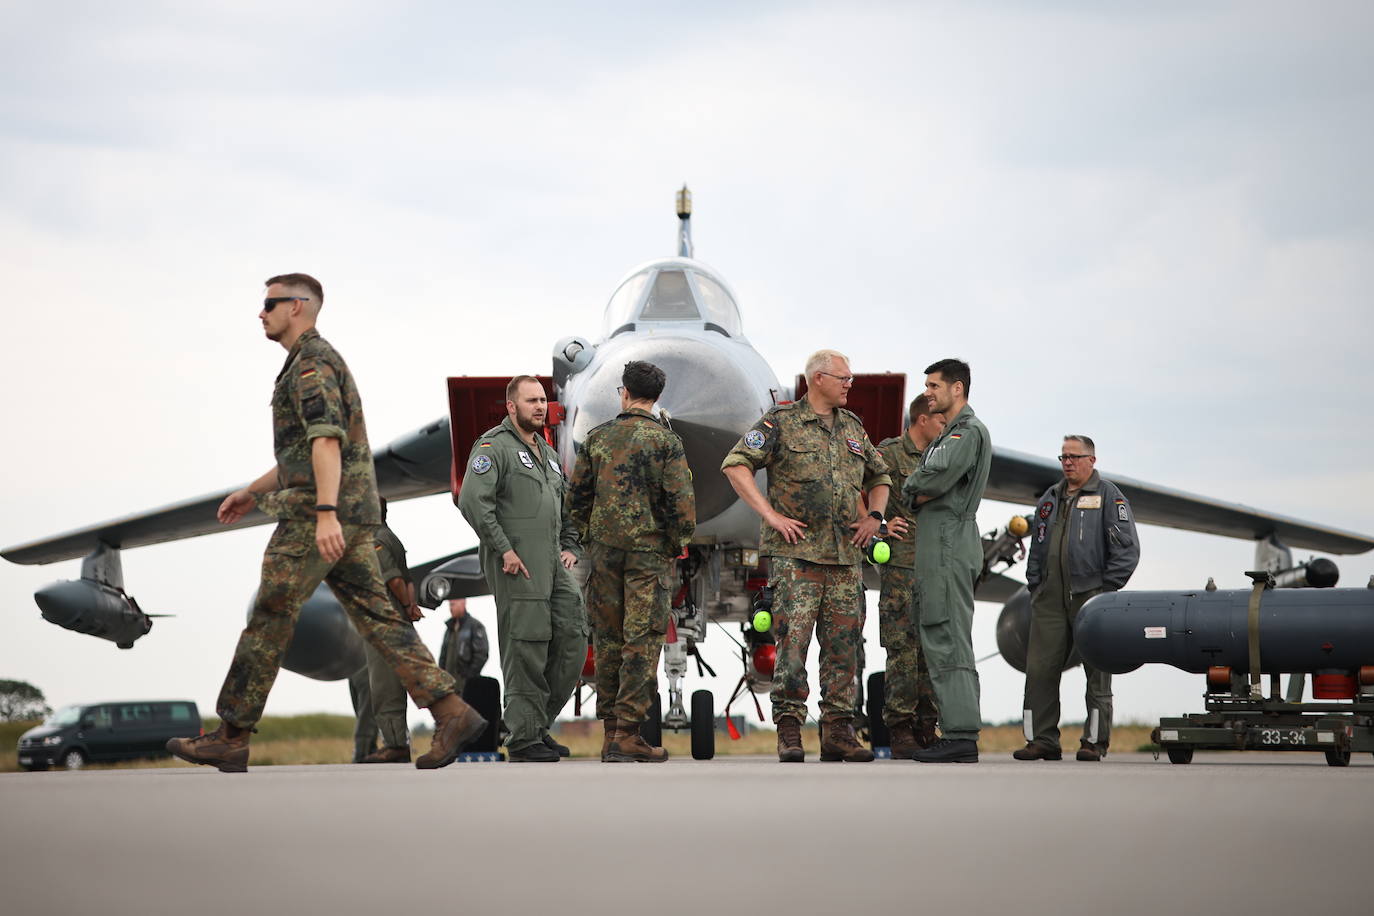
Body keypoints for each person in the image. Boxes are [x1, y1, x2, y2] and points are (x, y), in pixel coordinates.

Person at [167, 273, 485, 773]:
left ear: (298, 306)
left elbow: (326, 442)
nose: (261, 312)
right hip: (353, 514)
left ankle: (230, 735)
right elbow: (301, 454)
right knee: (381, 621)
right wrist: (252, 491)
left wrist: (323, 515)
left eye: (269, 303)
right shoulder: (308, 362)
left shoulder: (312, 364)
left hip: (317, 515)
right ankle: (451, 713)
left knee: (271, 614)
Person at [722, 349, 891, 763]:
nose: (850, 383)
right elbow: (735, 464)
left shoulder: (853, 428)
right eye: (843, 377)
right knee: (792, 647)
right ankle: (790, 732)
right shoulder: (781, 423)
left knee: (843, 649)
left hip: (845, 560)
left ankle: (839, 732)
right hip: (796, 559)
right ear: (818, 379)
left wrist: (875, 517)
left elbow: (881, 475)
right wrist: (770, 515)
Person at [566, 360, 696, 763]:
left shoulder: (598, 438)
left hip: (604, 554)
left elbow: (577, 501)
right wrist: (675, 544)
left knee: (607, 639)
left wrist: (592, 538)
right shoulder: (666, 442)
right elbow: (682, 506)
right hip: (648, 555)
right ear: (657, 397)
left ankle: (610, 735)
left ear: (623, 392)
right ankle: (628, 733)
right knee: (641, 640)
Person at [457, 376, 587, 763]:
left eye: (543, 400)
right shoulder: (493, 447)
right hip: (517, 565)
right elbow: (472, 500)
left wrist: (570, 546)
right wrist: (505, 549)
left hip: (552, 562)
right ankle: (522, 739)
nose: (539, 406)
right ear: (511, 407)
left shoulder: (546, 452)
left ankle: (535, 725)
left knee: (573, 637)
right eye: (530, 401)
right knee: (526, 647)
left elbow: (564, 505)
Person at [1014, 435, 1139, 762]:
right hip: (1050, 598)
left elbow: (1127, 550)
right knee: (1039, 669)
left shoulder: (1109, 496)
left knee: (1097, 671)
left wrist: (1107, 591)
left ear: (1091, 461)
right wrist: (1035, 585)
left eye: (1074, 456)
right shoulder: (1050, 498)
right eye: (1063, 457)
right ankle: (1041, 740)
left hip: (1092, 598)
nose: (1067, 462)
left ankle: (1094, 741)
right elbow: (1038, 547)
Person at [902, 358, 991, 764]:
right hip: (937, 545)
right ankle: (955, 730)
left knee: (948, 635)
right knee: (938, 633)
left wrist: (914, 487)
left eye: (934, 386)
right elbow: (919, 487)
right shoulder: (949, 435)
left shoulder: (967, 433)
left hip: (949, 542)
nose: (928, 394)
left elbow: (931, 480)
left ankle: (960, 734)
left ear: (958, 389)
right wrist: (915, 490)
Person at [875, 395, 946, 758]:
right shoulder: (888, 454)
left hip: (935, 566)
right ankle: (899, 727)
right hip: (901, 567)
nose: (944, 426)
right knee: (901, 650)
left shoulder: (942, 457)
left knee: (930, 650)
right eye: (939, 420)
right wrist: (881, 524)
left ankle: (926, 725)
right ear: (921, 419)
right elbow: (856, 488)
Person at [356, 496, 425, 763]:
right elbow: (407, 579)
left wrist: (406, 604)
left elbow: (394, 578)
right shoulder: (391, 537)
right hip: (396, 617)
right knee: (395, 682)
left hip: (383, 621)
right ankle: (396, 741)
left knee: (384, 685)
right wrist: (410, 607)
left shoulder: (376, 538)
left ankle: (395, 744)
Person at [438, 598, 489, 696]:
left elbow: (481, 654)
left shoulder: (475, 626)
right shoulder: (449, 629)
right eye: (450, 605)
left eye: (453, 604)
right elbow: (443, 656)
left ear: (463, 602)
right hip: (449, 686)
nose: (450, 608)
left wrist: (469, 676)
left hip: (466, 687)